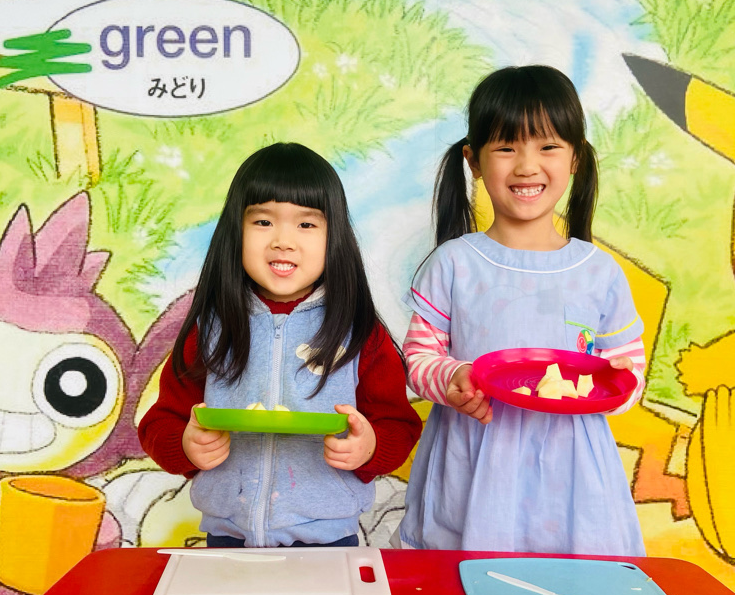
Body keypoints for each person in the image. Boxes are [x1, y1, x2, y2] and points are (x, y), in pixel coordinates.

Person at [397, 65, 647, 555]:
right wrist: (455, 377)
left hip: (572, 477)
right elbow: (419, 359)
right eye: (507, 147)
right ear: (473, 160)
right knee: (464, 586)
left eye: (548, 146)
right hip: (473, 466)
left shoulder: (600, 272)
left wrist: (618, 380)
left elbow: (630, 370)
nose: (527, 166)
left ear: (576, 159)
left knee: (572, 592)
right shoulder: (455, 263)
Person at [138, 142, 421, 548]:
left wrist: (369, 447)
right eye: (263, 221)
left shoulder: (359, 332)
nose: (283, 241)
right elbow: (159, 422)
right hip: (227, 537)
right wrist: (185, 444)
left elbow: (399, 425)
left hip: (328, 541)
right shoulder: (211, 328)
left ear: (335, 237)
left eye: (306, 224)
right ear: (235, 231)